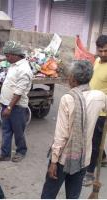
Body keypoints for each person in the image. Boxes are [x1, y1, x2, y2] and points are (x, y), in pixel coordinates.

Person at [41, 60, 107, 199]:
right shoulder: (100, 97)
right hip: (83, 158)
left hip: (62, 159)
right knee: (73, 196)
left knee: (48, 194)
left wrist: (53, 162)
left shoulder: (68, 99)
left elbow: (61, 135)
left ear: (73, 79)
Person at [0, 41, 33, 163]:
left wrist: (9, 107)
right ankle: (5, 154)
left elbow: (19, 92)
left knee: (18, 131)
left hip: (17, 107)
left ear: (16, 55)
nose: (7, 58)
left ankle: (21, 151)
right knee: (6, 130)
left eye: (8, 56)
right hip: (7, 104)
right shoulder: (14, 65)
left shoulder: (24, 70)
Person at [83, 34, 107, 186]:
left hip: (102, 112)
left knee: (94, 141)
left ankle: (90, 173)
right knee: (94, 139)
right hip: (91, 106)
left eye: (106, 51)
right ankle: (103, 157)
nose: (103, 54)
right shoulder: (97, 60)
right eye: (101, 50)